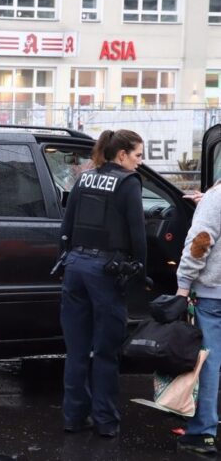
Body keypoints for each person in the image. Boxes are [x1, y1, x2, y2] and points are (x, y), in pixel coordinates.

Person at [58, 129, 146, 438]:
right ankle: (106, 421)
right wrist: (140, 271)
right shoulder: (128, 183)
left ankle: (73, 417)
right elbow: (138, 234)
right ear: (121, 155)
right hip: (106, 272)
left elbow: (66, 227)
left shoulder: (84, 178)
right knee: (106, 352)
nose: (140, 162)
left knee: (77, 350)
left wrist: (68, 260)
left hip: (75, 269)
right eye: (137, 155)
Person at [174, 181, 221, 455]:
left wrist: (183, 284)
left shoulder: (216, 199)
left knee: (208, 362)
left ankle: (202, 432)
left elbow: (200, 242)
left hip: (213, 295)